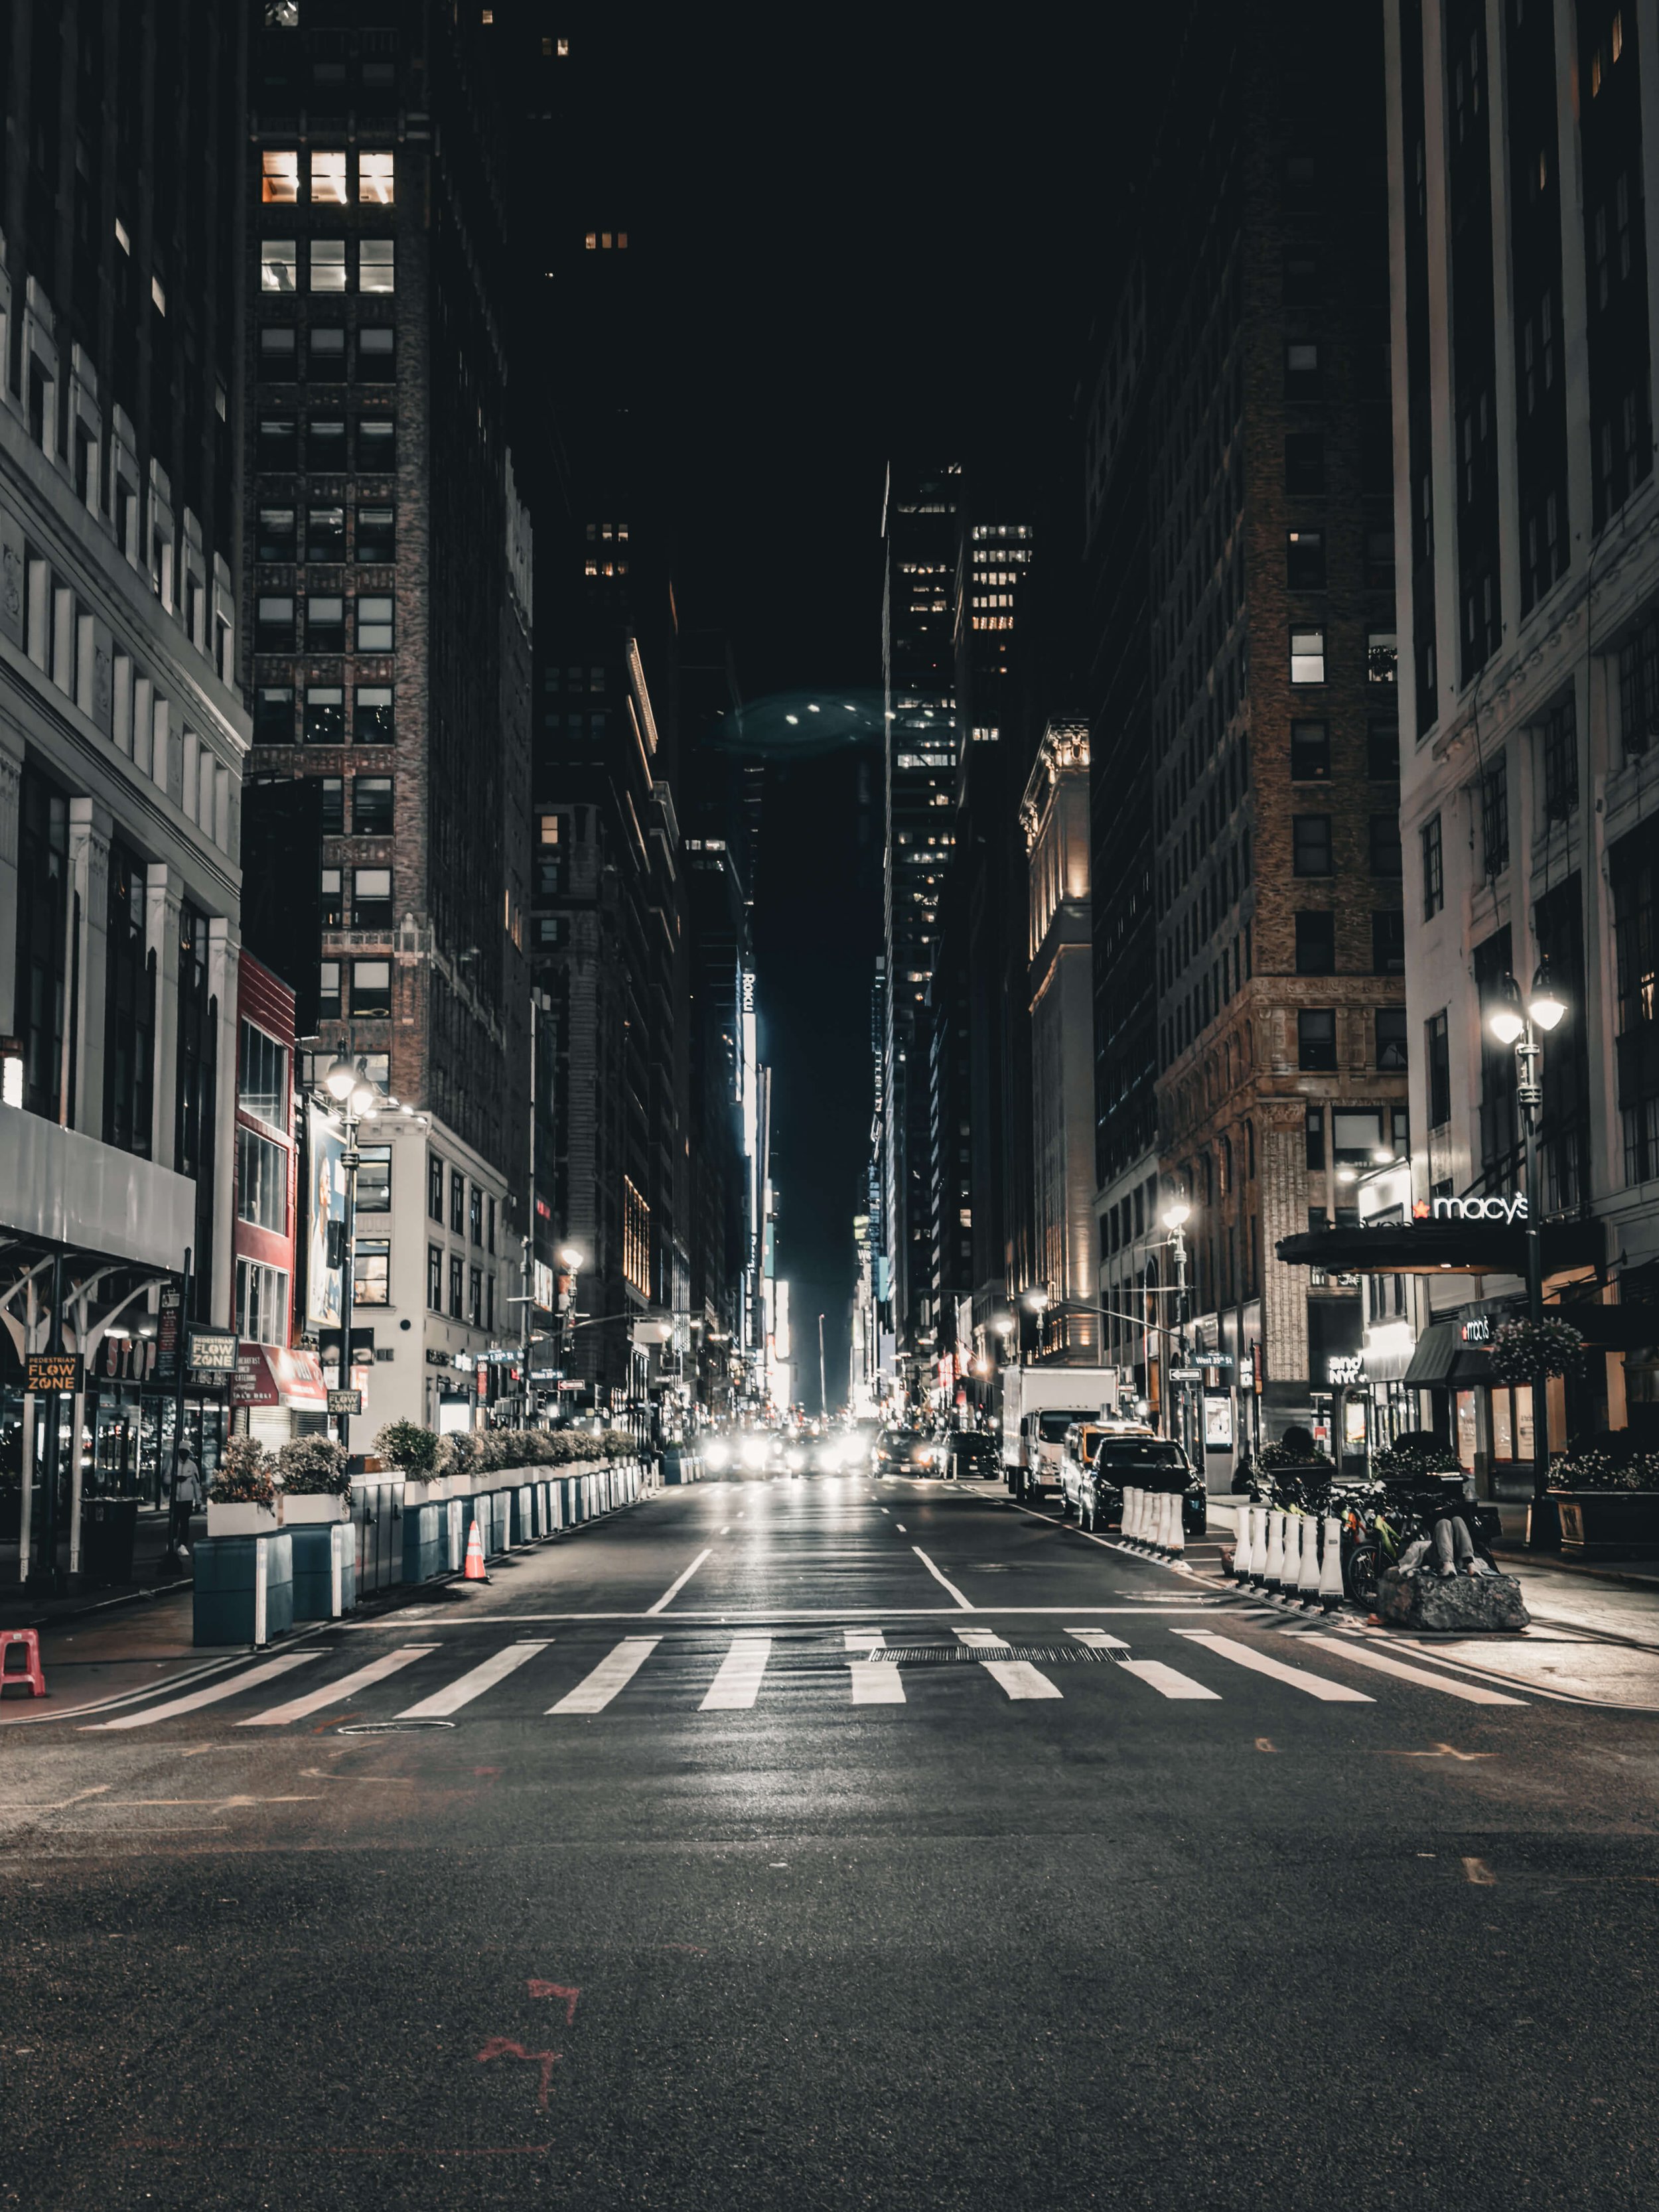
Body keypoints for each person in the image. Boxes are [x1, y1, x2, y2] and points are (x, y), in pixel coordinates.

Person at [167, 1443, 202, 1564]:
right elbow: (166, 1479)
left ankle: (182, 1545)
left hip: (187, 1499)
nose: (184, 1455)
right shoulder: (173, 1464)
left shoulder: (192, 1466)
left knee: (185, 1523)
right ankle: (172, 1544)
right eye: (182, 1452)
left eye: (186, 1452)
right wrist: (175, 1478)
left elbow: (197, 1484)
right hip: (175, 1499)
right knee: (174, 1522)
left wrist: (198, 1501)